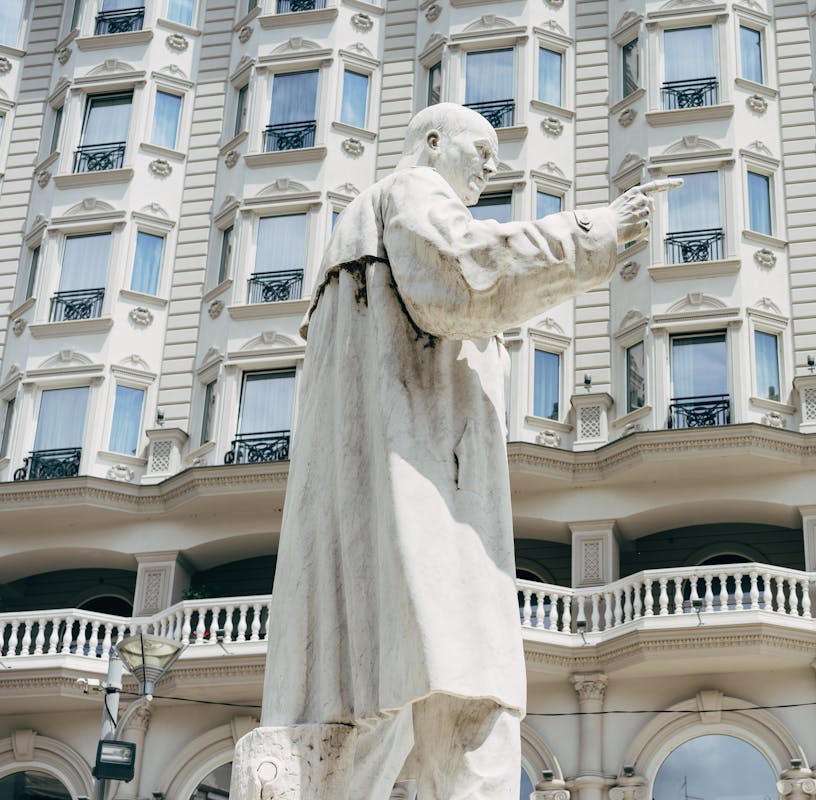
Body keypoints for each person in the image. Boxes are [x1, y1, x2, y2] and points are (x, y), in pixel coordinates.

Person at [230, 103, 677, 800]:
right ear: (433, 143)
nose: (491, 167)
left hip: (380, 499)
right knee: (473, 696)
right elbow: (468, 271)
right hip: (426, 489)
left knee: (375, 706)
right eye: (481, 149)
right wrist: (596, 234)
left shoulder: (352, 234)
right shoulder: (407, 194)